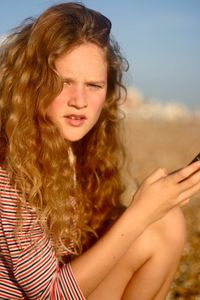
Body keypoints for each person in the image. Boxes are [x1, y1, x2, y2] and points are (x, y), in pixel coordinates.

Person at [0, 2, 200, 299]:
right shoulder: (9, 171)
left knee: (166, 221)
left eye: (93, 85)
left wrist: (158, 201)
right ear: (31, 84)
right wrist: (141, 213)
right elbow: (50, 294)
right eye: (64, 82)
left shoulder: (77, 151)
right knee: (151, 224)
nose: (79, 100)